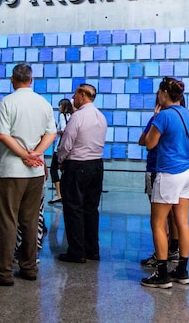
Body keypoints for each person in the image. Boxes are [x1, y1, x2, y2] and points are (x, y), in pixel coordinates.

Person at [0, 63, 57, 286]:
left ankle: (3, 272)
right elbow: (52, 133)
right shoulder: (43, 103)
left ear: (13, 80)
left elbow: (3, 135)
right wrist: (36, 153)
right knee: (31, 221)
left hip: (11, 171)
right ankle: (29, 267)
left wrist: (24, 154)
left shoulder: (8, 102)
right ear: (31, 80)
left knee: (7, 221)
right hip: (35, 172)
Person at [139, 77, 189, 289]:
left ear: (164, 93)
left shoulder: (163, 116)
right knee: (182, 221)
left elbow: (149, 144)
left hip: (169, 172)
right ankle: (182, 270)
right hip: (188, 172)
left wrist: (154, 120)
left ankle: (162, 273)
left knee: (158, 222)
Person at [56, 83, 107, 263]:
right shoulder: (101, 117)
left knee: (73, 208)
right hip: (96, 165)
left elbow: (66, 143)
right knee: (91, 208)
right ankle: (92, 249)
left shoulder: (77, 117)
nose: (73, 97)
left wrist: (60, 160)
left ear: (83, 96)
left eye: (76, 94)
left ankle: (76, 251)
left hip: (77, 165)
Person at [49, 98, 74, 204]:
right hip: (69, 147)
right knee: (65, 170)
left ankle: (58, 194)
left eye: (60, 106)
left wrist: (54, 131)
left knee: (53, 169)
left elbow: (63, 130)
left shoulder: (62, 116)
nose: (59, 108)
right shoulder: (73, 116)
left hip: (59, 147)